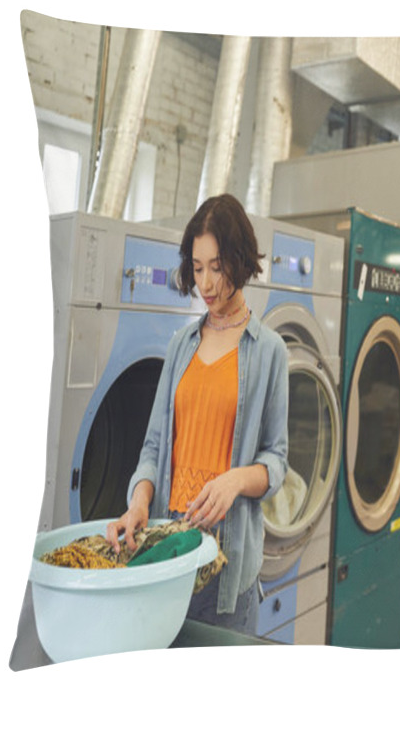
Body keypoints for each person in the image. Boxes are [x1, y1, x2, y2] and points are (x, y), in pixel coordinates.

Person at [106, 194, 289, 634]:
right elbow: (153, 446)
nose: (205, 283)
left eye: (217, 266)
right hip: (169, 551)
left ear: (240, 261)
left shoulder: (269, 352)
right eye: (197, 266)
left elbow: (277, 461)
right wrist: (138, 502)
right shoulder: (180, 345)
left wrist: (234, 481)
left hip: (227, 567)